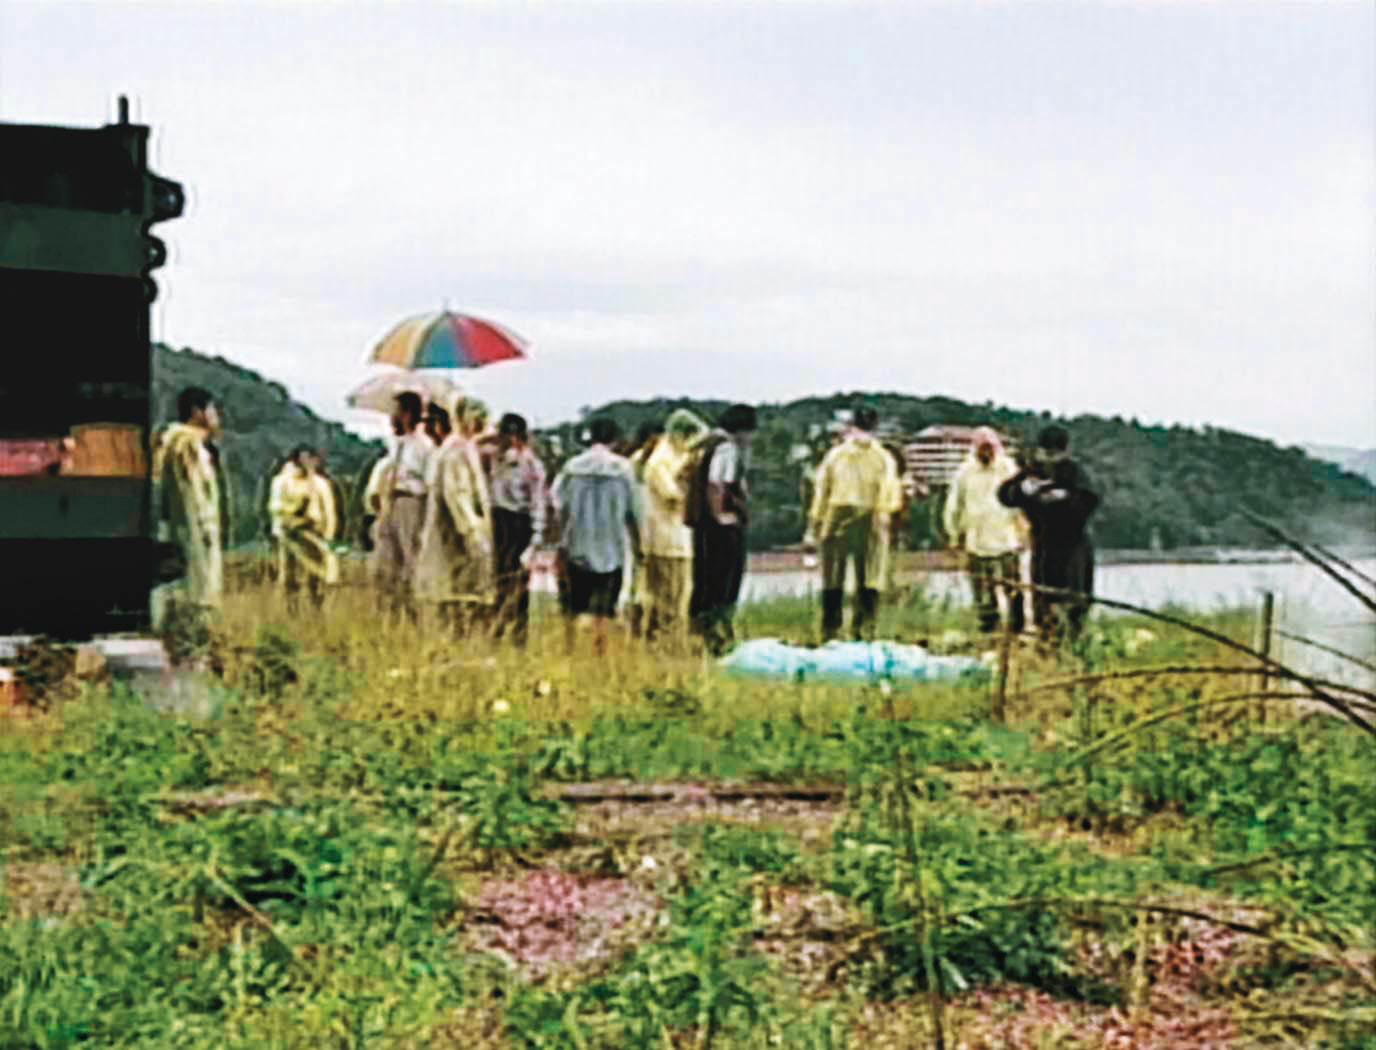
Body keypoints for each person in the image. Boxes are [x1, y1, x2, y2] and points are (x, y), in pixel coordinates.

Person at [802, 406, 904, 642]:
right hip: (866, 512)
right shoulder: (882, 458)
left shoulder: (837, 455)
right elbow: (890, 492)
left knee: (836, 574)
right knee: (867, 574)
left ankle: (833, 631)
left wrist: (815, 525)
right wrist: (884, 515)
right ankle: (861, 630)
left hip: (846, 512)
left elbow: (821, 492)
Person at [997, 425, 1100, 646]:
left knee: (1074, 601)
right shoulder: (1031, 471)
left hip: (1073, 545)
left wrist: (1065, 499)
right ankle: (1046, 644)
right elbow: (1004, 495)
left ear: (1065, 452)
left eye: (1055, 455)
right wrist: (1023, 490)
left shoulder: (1076, 472)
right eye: (1046, 454)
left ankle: (1073, 644)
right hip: (1042, 544)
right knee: (1042, 599)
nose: (1050, 460)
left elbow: (1090, 500)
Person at [550, 416, 643, 656]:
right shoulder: (624, 469)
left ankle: (569, 649)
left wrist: (557, 544)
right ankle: (599, 652)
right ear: (615, 439)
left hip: (576, 544)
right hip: (611, 547)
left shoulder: (572, 467)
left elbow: (558, 507)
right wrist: (639, 545)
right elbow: (634, 512)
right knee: (604, 609)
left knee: (573, 606)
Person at [152, 386, 226, 661]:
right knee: (196, 592)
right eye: (212, 410)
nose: (216, 418)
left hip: (177, 527)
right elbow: (195, 491)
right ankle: (191, 652)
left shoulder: (173, 441)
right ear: (198, 412)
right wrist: (206, 527)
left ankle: (181, 648)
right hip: (192, 530)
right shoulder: (188, 444)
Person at [414, 393, 496, 636]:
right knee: (459, 590)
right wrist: (471, 530)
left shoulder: (461, 448)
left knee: (456, 589)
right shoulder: (456, 450)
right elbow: (456, 493)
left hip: (458, 527)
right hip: (456, 532)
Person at [686, 403, 757, 655]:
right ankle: (717, 635)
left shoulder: (703, 444)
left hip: (701, 526)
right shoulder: (726, 448)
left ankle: (697, 634)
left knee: (703, 580)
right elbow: (716, 483)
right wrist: (720, 514)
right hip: (721, 528)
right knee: (724, 581)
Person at [943, 426, 1026, 637]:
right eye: (982, 448)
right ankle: (989, 630)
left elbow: (1020, 502)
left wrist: (1025, 530)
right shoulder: (964, 472)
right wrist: (953, 534)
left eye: (989, 448)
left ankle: (1016, 630)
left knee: (1013, 587)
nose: (986, 453)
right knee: (982, 590)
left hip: (1007, 540)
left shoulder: (1008, 469)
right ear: (975, 449)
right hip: (976, 540)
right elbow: (954, 506)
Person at [640, 408, 709, 645]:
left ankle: (666, 642)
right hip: (665, 540)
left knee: (678, 597)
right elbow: (672, 496)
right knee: (667, 598)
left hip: (679, 538)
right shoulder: (661, 461)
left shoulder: (679, 457)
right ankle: (665, 643)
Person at [370, 391, 433, 621]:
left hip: (411, 501)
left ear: (407, 414)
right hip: (391, 500)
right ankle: (389, 612)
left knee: (409, 558)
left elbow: (429, 482)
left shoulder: (424, 446)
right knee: (385, 559)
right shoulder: (396, 444)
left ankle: (413, 612)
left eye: (396, 412)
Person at [488, 412, 548, 646]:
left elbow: (538, 501)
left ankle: (519, 632)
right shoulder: (496, 460)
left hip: (519, 521)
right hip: (499, 519)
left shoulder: (532, 465)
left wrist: (536, 536)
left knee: (519, 581)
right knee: (499, 579)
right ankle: (498, 627)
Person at [268, 446, 340, 613]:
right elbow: (275, 506)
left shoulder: (321, 484)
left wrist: (328, 534)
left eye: (311, 459)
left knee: (317, 575)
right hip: (290, 533)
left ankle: (317, 608)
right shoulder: (282, 482)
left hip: (314, 532)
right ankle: (292, 610)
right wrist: (293, 513)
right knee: (290, 574)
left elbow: (329, 511)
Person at [624, 420, 664, 637]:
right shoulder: (634, 464)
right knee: (637, 585)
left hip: (659, 531)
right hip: (637, 530)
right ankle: (637, 628)